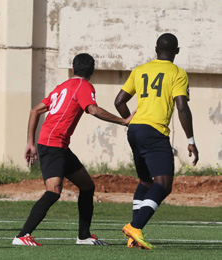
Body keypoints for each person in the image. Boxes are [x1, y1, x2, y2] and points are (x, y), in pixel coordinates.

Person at [12, 53, 133, 247]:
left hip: (57, 144)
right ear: (91, 72)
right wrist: (123, 121)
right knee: (53, 191)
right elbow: (93, 109)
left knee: (87, 186)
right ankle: (22, 236)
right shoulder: (83, 86)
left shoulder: (63, 86)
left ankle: (83, 236)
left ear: (73, 69)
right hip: (53, 145)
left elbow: (35, 110)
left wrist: (30, 142)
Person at [114, 33, 198, 250]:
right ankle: (135, 226)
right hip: (154, 132)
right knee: (164, 183)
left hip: (135, 131)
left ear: (155, 49)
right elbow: (181, 107)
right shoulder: (178, 73)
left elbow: (119, 101)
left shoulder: (140, 70)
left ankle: (134, 235)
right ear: (177, 51)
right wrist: (190, 139)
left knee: (146, 182)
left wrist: (127, 121)